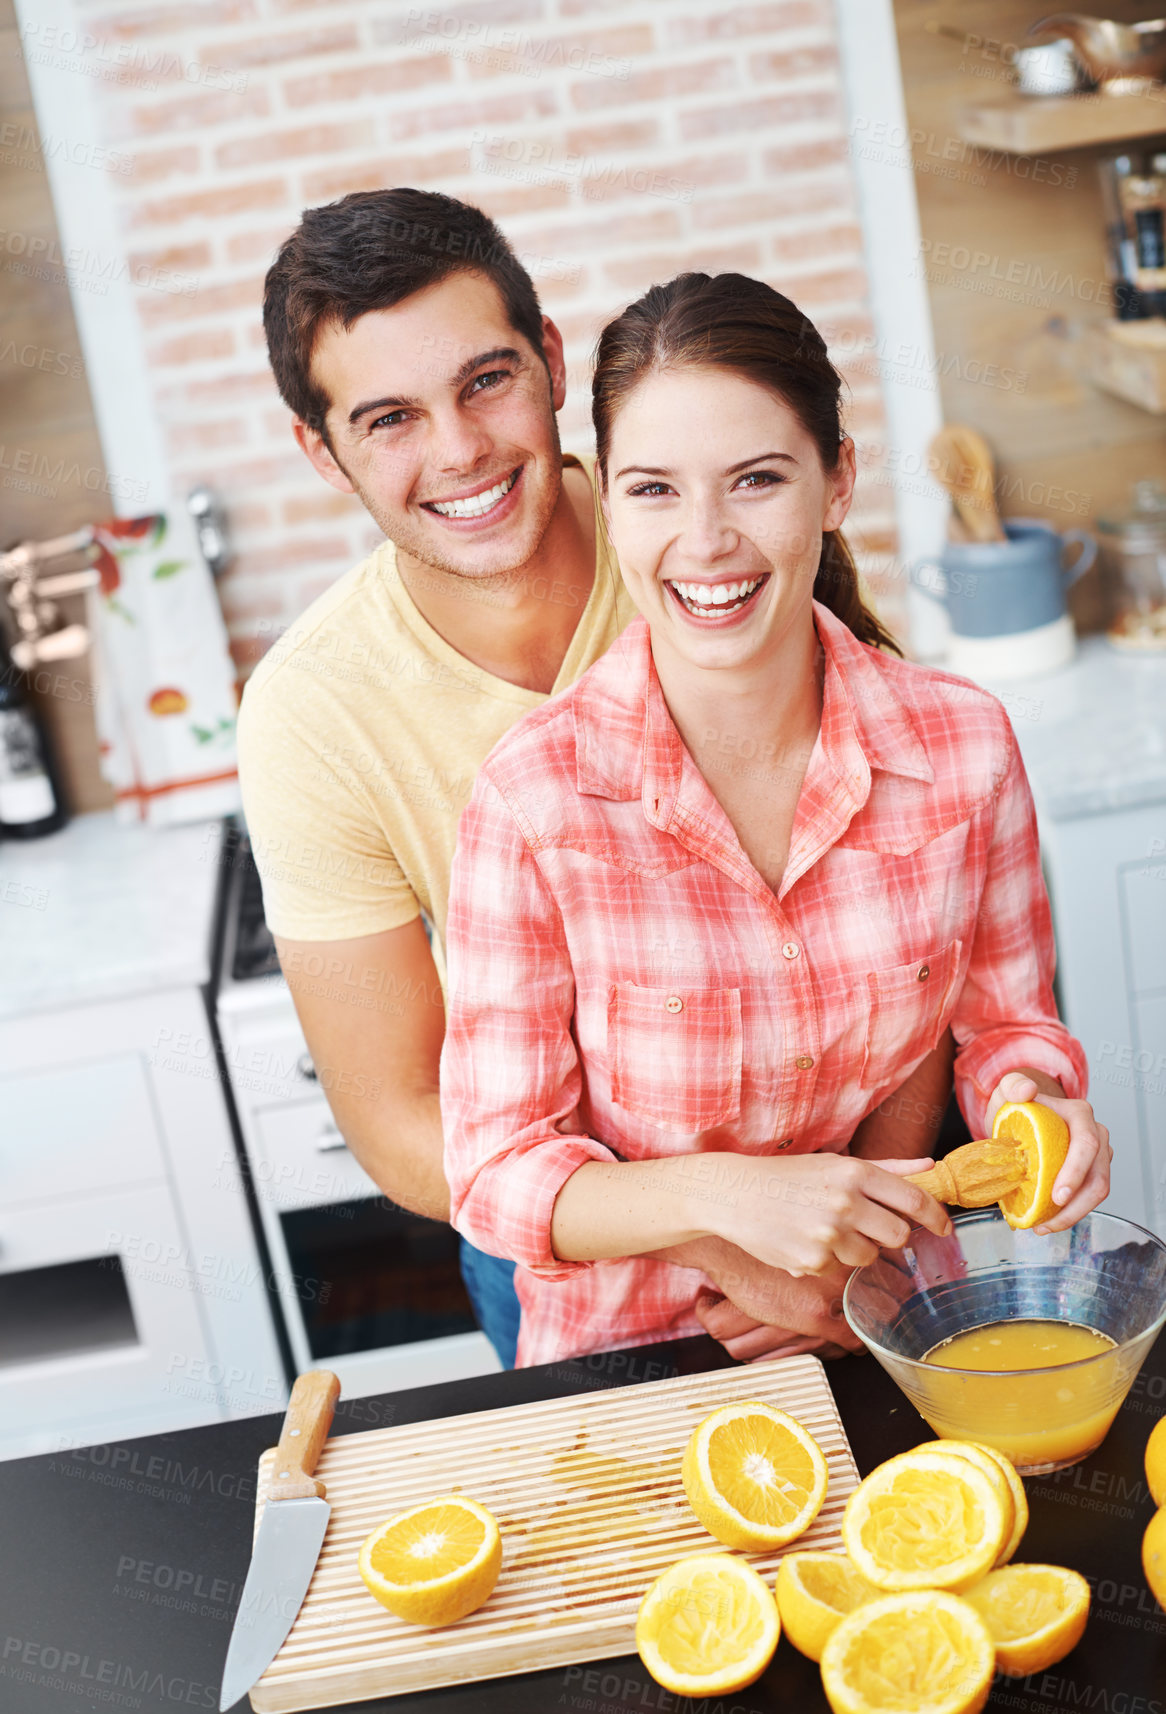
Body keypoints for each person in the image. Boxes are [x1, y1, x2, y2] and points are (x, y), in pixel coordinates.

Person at [238, 189, 955, 1369]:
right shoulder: (313, 711)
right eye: (387, 419)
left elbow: (909, 926)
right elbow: (404, 1123)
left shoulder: (701, 541)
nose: (461, 450)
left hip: (861, 1203)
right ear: (322, 452)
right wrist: (716, 1228)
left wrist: (850, 1234)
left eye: (484, 380)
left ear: (551, 361)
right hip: (568, 1251)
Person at [439, 271, 1112, 1370]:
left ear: (835, 483)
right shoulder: (534, 799)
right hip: (636, 1363)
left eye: (755, 480)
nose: (704, 540)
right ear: (606, 502)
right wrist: (731, 1211)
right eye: (653, 490)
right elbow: (497, 1173)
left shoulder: (962, 748)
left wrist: (1039, 1109)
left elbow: (1000, 1030)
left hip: (887, 1326)